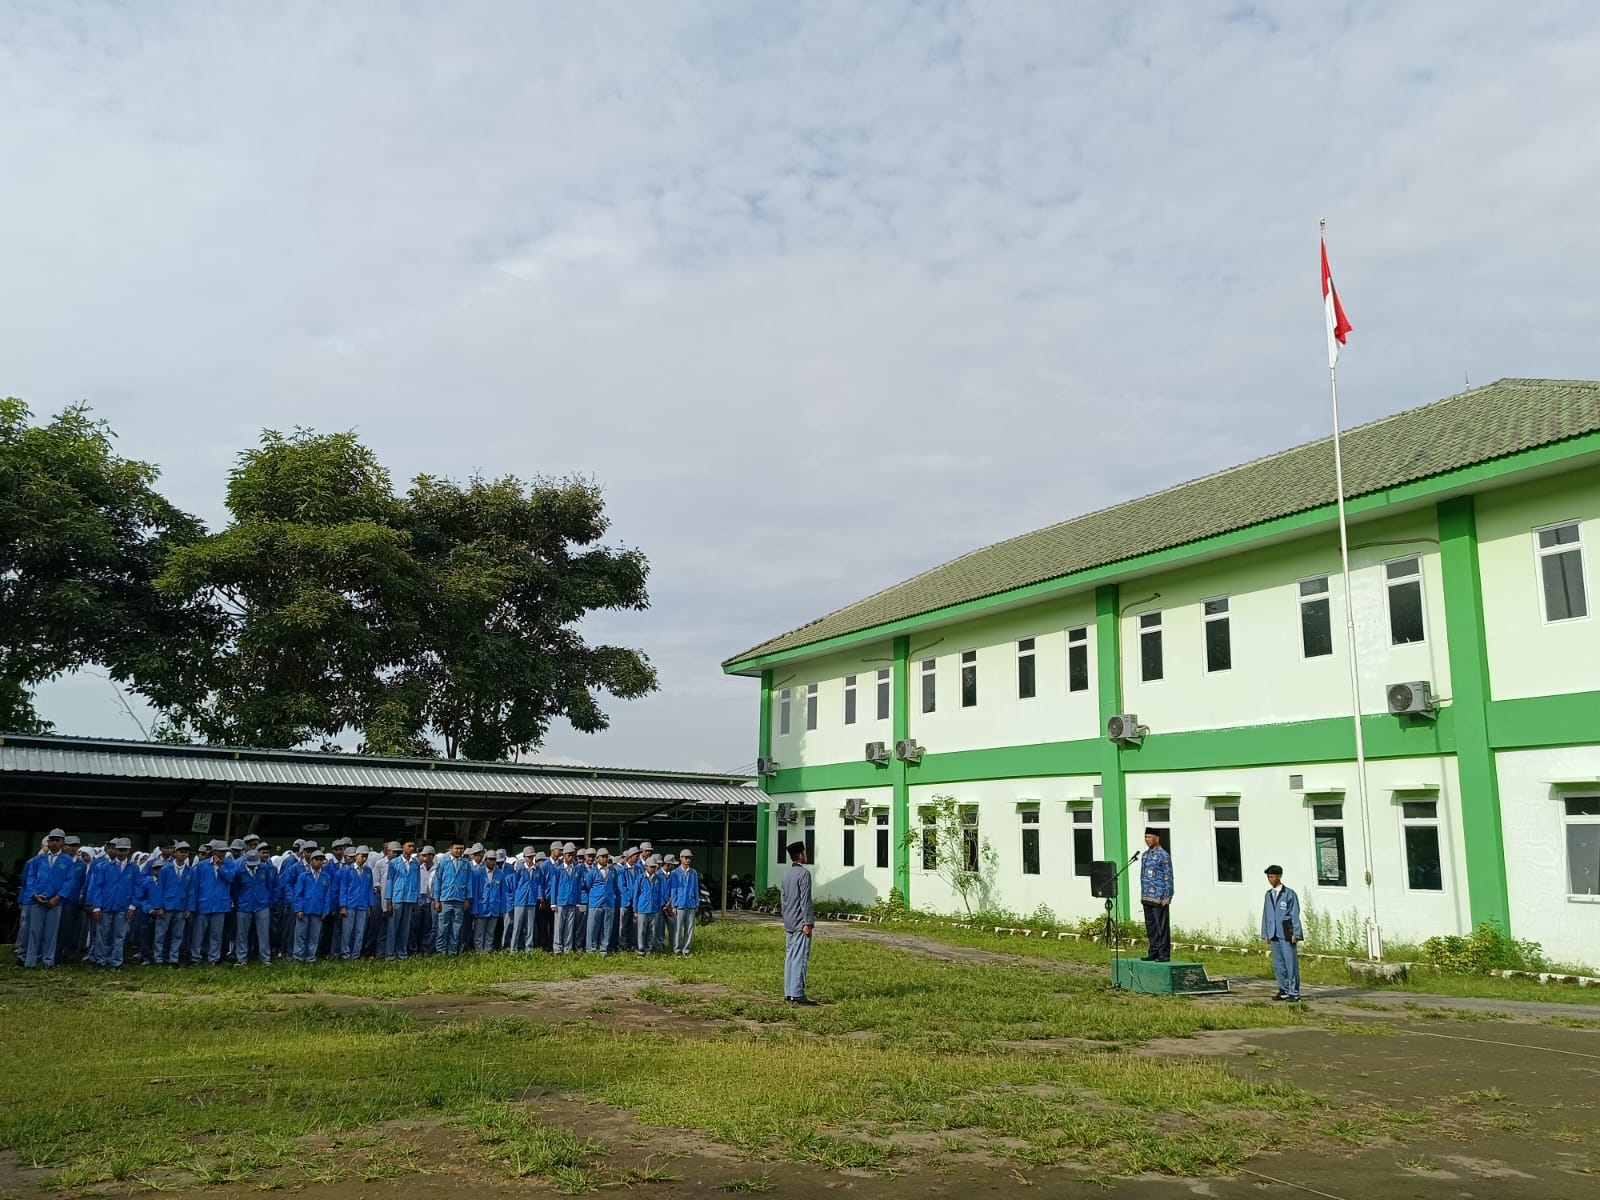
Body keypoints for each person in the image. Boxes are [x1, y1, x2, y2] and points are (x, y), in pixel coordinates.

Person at [779, 840, 816, 1004]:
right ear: (801, 855)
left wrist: (786, 919)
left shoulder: (786, 875)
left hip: (789, 922)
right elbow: (805, 900)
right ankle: (797, 993)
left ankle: (789, 992)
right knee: (800, 958)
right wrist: (808, 922)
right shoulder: (804, 874)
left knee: (790, 957)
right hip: (801, 923)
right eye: (805, 852)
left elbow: (784, 901)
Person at [1261, 865, 1304, 1002]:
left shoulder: (1289, 894)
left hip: (1286, 931)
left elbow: (1295, 914)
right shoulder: (1268, 894)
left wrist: (1296, 933)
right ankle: (1283, 989)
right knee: (1278, 964)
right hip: (1273, 932)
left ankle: (1294, 992)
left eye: (1272, 876)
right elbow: (1266, 914)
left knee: (1290, 962)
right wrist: (1265, 933)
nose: (1270, 879)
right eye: (1268, 877)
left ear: (1279, 876)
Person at [233, 849, 276, 965]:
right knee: (242, 933)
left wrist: (266, 899)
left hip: (262, 905)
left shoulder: (264, 868)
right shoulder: (239, 871)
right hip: (244, 905)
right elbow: (235, 889)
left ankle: (265, 958)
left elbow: (269, 885)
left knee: (264, 933)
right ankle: (241, 959)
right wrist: (240, 901)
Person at [433, 841, 473, 956]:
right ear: (451, 848)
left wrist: (468, 898)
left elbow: (469, 882)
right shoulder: (443, 862)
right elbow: (437, 881)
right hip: (445, 899)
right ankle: (440, 952)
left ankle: (452, 952)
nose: (459, 851)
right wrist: (436, 899)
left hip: (459, 899)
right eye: (457, 848)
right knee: (442, 928)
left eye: (461, 848)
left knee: (456, 929)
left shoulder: (466, 864)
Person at [1138, 827, 1173, 963]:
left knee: (1161, 926)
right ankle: (1153, 951)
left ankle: (1164, 954)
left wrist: (1168, 895)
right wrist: (1142, 894)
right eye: (1145, 837)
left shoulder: (1163, 855)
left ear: (1157, 838)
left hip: (1159, 896)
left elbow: (1168, 876)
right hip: (1146, 896)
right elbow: (1142, 876)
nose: (1147, 840)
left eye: (1149, 837)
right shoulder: (1145, 855)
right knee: (1151, 926)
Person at [667, 849, 700, 956]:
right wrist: (674, 905)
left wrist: (696, 903)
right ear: (681, 858)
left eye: (689, 858)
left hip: (690, 903)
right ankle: (677, 949)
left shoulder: (693, 872)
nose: (688, 860)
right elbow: (673, 890)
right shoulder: (675, 873)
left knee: (689, 928)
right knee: (677, 928)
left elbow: (696, 889)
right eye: (686, 858)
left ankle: (686, 949)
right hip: (680, 904)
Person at [631, 854, 665, 955]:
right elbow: (636, 894)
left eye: (654, 867)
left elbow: (660, 894)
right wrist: (635, 910)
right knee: (641, 930)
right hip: (642, 908)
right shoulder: (640, 878)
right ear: (646, 866)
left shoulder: (658, 879)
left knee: (652, 931)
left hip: (654, 909)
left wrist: (658, 907)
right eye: (651, 867)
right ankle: (641, 949)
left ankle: (649, 948)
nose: (653, 869)